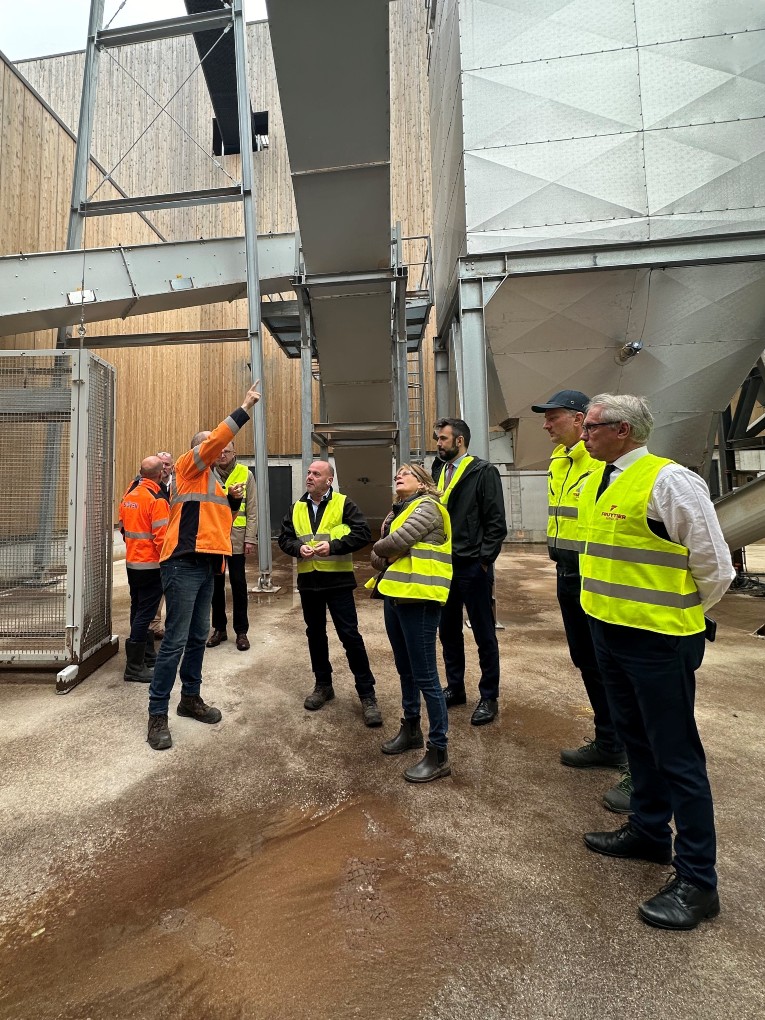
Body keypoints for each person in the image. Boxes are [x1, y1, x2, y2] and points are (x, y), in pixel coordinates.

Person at [578, 394, 734, 930]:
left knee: (677, 756)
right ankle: (648, 833)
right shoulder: (602, 477)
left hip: (658, 641)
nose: (584, 433)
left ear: (622, 431)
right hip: (611, 633)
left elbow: (716, 568)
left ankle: (698, 882)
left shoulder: (669, 481)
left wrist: (684, 615)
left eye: (593, 426)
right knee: (637, 740)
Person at [146, 381, 261, 751]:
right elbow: (214, 443)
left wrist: (232, 501)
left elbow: (218, 523)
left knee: (197, 636)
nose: (220, 446)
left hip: (210, 564)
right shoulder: (189, 466)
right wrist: (243, 408)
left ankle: (189, 698)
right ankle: (157, 714)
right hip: (182, 564)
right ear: (198, 448)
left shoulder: (214, 479)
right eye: (212, 442)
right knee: (175, 641)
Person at [531, 390, 631, 813]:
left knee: (616, 666)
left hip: (596, 573)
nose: (545, 425)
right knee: (587, 660)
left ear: (578, 420)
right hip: (566, 572)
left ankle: (631, 757)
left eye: (553, 418)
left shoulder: (603, 461)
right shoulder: (561, 461)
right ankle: (608, 741)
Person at [278, 460, 382, 727]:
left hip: (337, 582)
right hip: (309, 582)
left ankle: (367, 694)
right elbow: (285, 538)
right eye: (309, 473)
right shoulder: (297, 507)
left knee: (349, 635)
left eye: (316, 474)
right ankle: (323, 685)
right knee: (315, 634)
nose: (309, 477)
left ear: (329, 480)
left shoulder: (344, 504)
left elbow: (361, 534)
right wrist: (296, 549)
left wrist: (333, 546)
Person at [369, 463, 452, 782]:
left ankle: (439, 751)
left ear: (422, 483)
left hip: (420, 599)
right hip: (396, 596)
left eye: (407, 472)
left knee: (427, 676)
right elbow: (380, 555)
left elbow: (388, 545)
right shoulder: (400, 511)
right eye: (397, 472)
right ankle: (411, 727)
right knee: (405, 669)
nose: (398, 475)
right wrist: (387, 550)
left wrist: (387, 549)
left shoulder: (428, 507)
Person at [431, 418, 507, 725]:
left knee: (484, 633)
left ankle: (489, 697)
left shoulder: (483, 471)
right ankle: (456, 688)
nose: (438, 443)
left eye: (443, 439)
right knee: (447, 630)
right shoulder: (437, 470)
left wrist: (484, 560)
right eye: (437, 438)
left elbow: (496, 522)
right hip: (442, 565)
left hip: (472, 566)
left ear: (460, 441)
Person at [119, 456, 169, 682]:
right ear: (160, 475)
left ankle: (147, 656)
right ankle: (134, 667)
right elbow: (162, 539)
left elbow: (122, 526)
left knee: (137, 609)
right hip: (151, 566)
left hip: (133, 564)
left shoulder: (130, 493)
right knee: (145, 615)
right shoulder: (156, 499)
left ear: (140, 472)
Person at [206, 442, 257, 651]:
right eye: (219, 451)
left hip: (236, 539)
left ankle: (241, 631)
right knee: (215, 587)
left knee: (238, 584)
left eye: (227, 451)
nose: (222, 454)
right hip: (215, 540)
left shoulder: (246, 474)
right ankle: (219, 629)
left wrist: (250, 539)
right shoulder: (208, 474)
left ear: (235, 453)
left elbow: (252, 509)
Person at [149, 450, 174, 640]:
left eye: (167, 464)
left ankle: (167, 626)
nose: (164, 468)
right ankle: (154, 626)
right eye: (161, 464)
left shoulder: (177, 485)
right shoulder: (148, 487)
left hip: (173, 544)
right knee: (154, 589)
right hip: (153, 548)